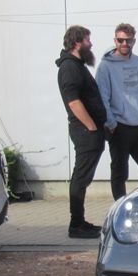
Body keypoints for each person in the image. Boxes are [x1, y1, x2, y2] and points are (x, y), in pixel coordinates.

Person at [55, 25, 107, 239]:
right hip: (85, 131)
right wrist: (91, 126)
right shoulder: (69, 67)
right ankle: (76, 225)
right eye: (87, 40)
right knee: (80, 177)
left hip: (90, 130)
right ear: (77, 42)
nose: (90, 44)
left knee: (83, 178)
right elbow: (74, 102)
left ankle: (80, 221)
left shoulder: (77, 65)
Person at [96, 23, 138, 200]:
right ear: (115, 40)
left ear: (133, 41)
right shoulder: (105, 66)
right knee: (120, 171)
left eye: (128, 40)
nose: (124, 44)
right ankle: (120, 207)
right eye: (121, 40)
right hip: (119, 126)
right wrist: (111, 123)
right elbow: (102, 97)